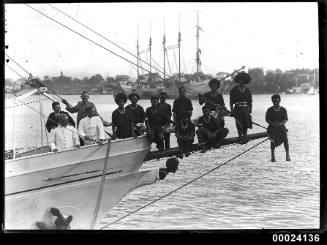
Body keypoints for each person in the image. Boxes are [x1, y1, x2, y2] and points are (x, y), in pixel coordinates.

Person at [265, 94, 291, 162]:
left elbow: (285, 119)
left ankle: (287, 155)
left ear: (279, 101)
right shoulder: (269, 110)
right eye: (274, 101)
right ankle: (273, 156)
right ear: (272, 101)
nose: (275, 103)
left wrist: (280, 124)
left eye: (276, 101)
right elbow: (267, 119)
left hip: (281, 126)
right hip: (272, 127)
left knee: (285, 138)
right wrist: (273, 124)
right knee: (272, 139)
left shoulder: (283, 110)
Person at [230, 71, 253, 144]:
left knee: (246, 124)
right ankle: (240, 138)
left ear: (245, 81)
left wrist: (250, 111)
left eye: (243, 81)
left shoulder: (248, 90)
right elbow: (231, 101)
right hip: (237, 109)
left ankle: (245, 137)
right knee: (239, 124)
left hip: (246, 109)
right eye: (240, 80)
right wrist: (232, 110)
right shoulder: (234, 90)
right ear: (238, 80)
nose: (241, 82)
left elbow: (250, 102)